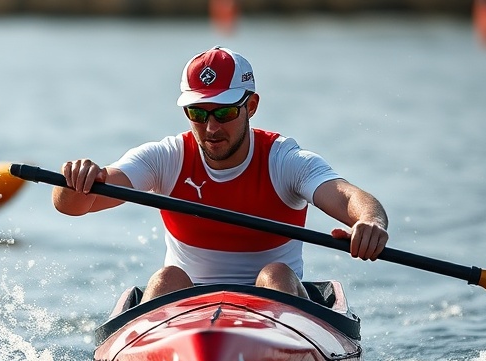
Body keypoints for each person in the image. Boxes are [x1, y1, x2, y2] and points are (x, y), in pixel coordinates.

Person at [53, 46, 389, 302]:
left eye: (225, 112)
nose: (211, 127)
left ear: (251, 106)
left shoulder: (283, 160)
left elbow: (347, 196)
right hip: (186, 312)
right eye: (198, 112)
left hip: (276, 310)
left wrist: (370, 223)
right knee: (165, 279)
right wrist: (77, 180)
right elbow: (73, 205)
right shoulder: (166, 157)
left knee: (275, 275)